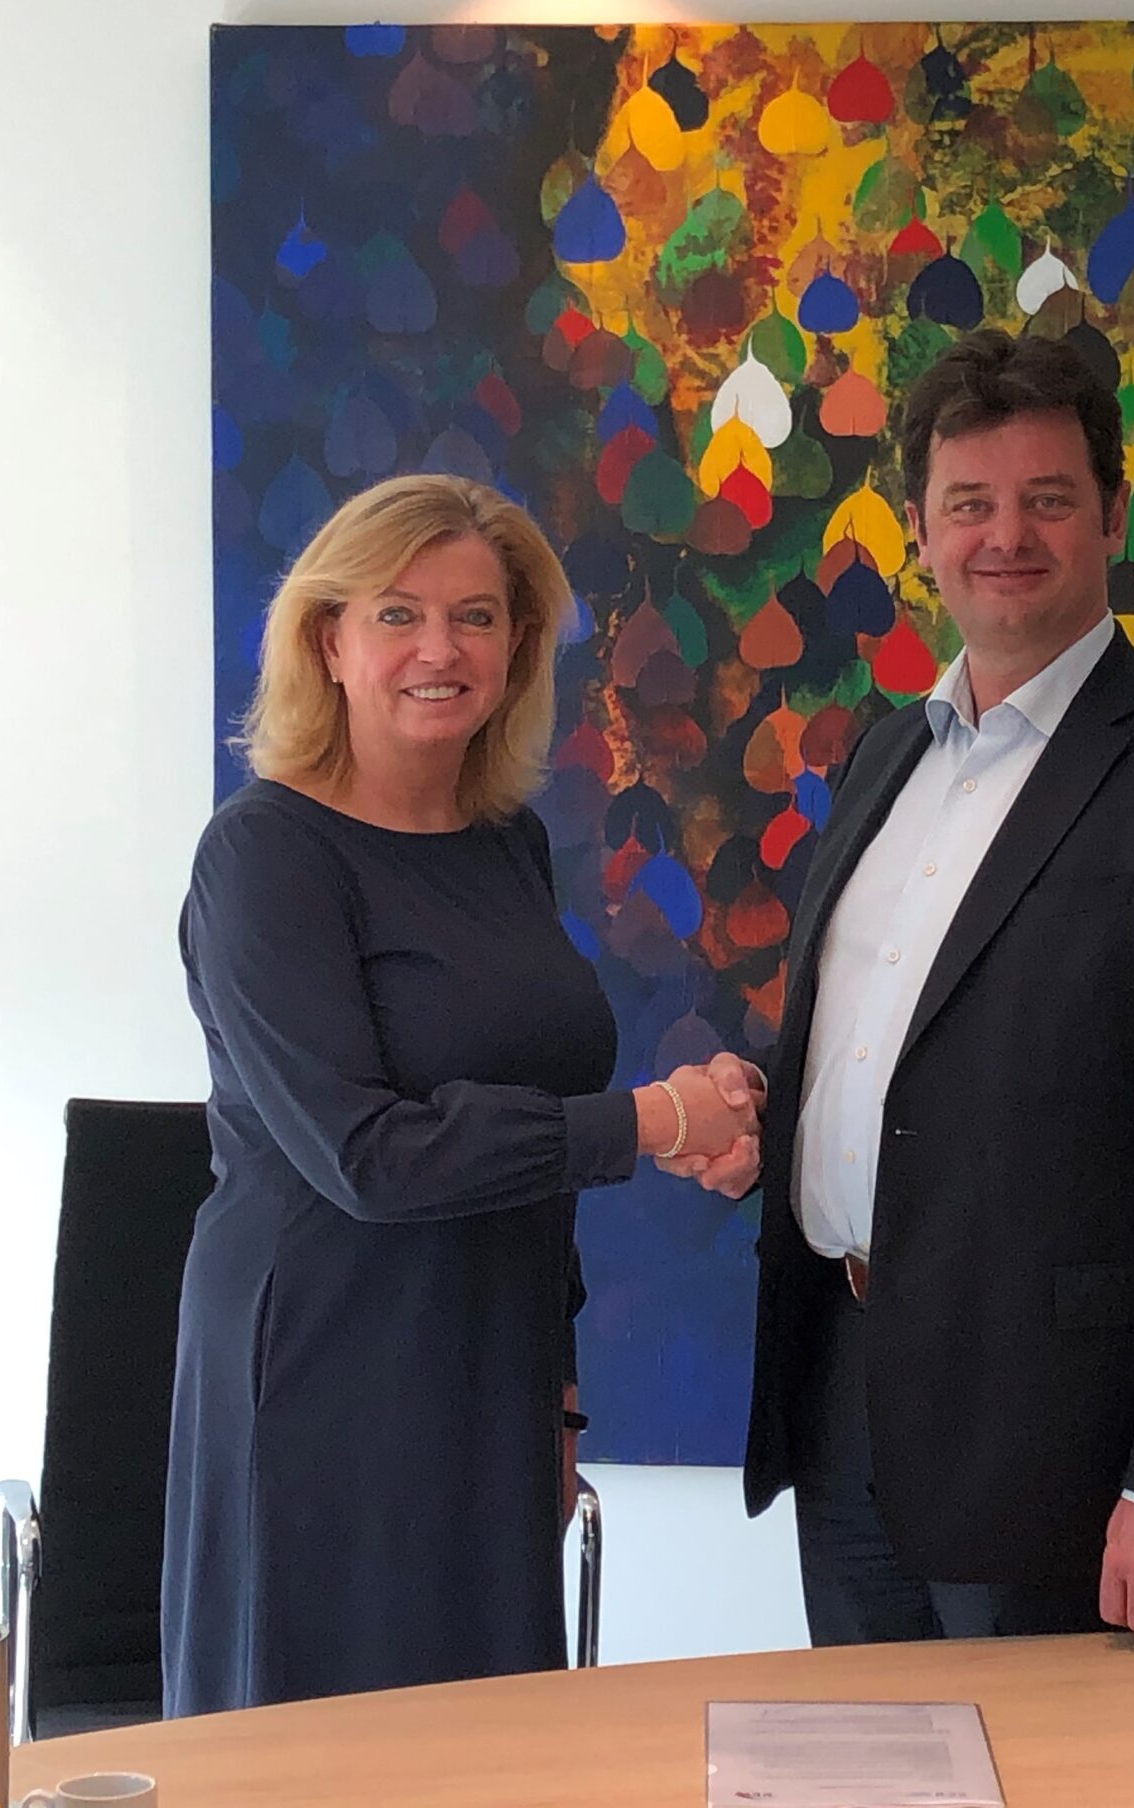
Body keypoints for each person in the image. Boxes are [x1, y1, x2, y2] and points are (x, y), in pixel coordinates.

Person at [724, 330, 1134, 1641]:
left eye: (1047, 499)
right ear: (920, 532)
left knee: (1039, 1755)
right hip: (843, 1392)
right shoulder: (885, 758)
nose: (1006, 535)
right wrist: (764, 1121)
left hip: (1063, 1443)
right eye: (970, 504)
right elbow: (900, 1051)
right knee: (870, 1755)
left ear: (1111, 516)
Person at [163, 474, 760, 1714]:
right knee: (333, 1755)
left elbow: (531, 1139)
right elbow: (371, 1157)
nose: (440, 649)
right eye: (398, 614)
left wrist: (558, 1396)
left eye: (476, 617)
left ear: (517, 646)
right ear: (327, 640)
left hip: (490, 1367)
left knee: (488, 1744)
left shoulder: (506, 845)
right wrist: (655, 1121)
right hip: (327, 1376)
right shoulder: (263, 856)